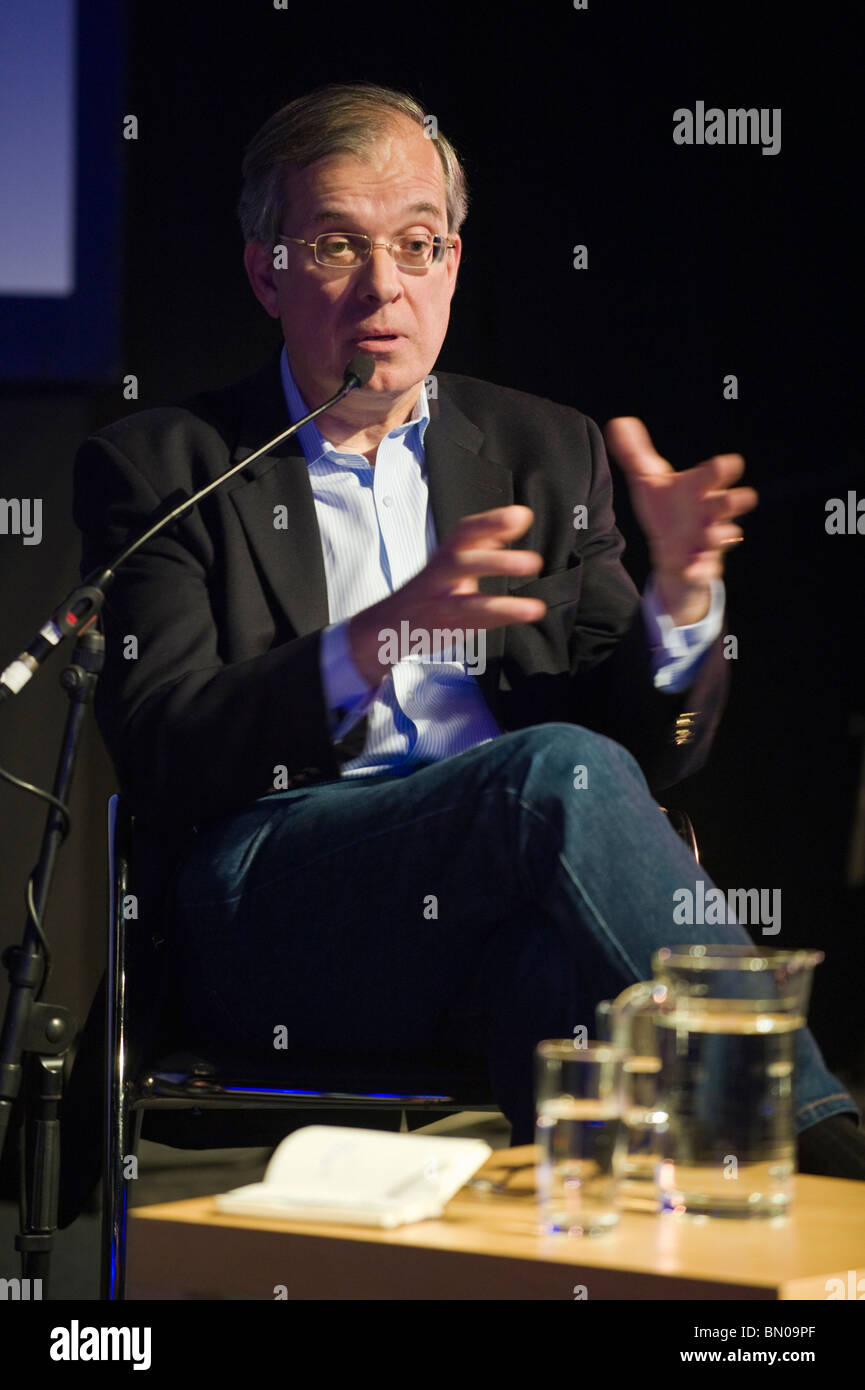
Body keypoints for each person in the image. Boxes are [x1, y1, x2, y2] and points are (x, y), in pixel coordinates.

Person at [68, 82, 864, 1195]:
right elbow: (164, 745)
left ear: (452, 261)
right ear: (267, 271)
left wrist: (681, 599)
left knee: (567, 973)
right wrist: (383, 635)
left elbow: (654, 749)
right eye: (337, 243)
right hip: (269, 903)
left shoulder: (545, 451)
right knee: (554, 774)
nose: (383, 284)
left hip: (488, 908)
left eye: (416, 243)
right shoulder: (168, 466)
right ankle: (824, 1151)